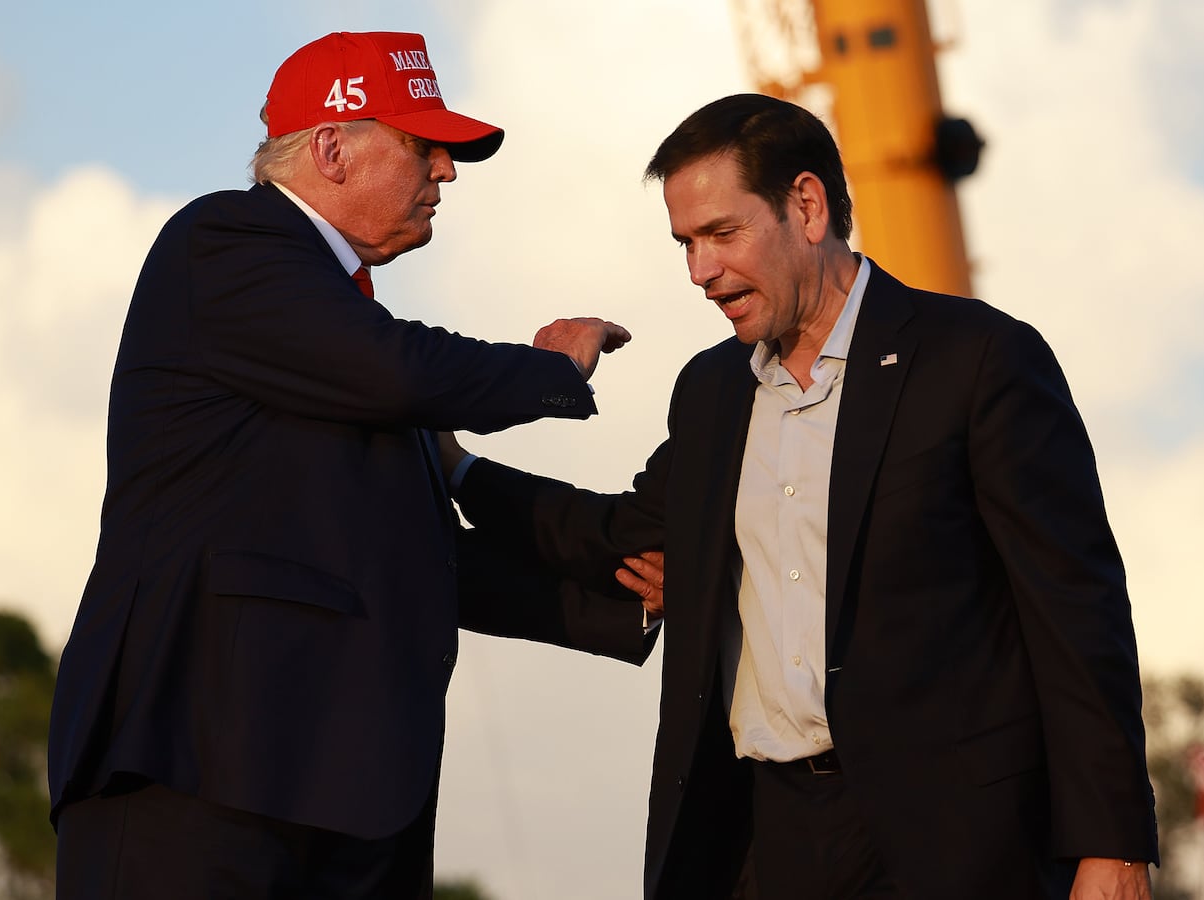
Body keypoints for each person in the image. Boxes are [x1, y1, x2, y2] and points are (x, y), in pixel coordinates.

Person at [451, 94, 1159, 899]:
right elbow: (621, 534)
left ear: (808, 206)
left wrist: (1113, 844)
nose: (700, 272)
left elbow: (1075, 610)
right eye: (686, 243)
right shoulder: (712, 389)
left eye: (723, 233)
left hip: (956, 844)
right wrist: (458, 470)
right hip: (765, 833)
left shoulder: (980, 359)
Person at [46, 31, 659, 899]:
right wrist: (552, 368)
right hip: (202, 772)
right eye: (423, 144)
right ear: (330, 146)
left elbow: (412, 555)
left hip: (344, 792)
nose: (446, 170)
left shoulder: (331, 333)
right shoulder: (224, 241)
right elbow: (400, 368)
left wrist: (625, 595)